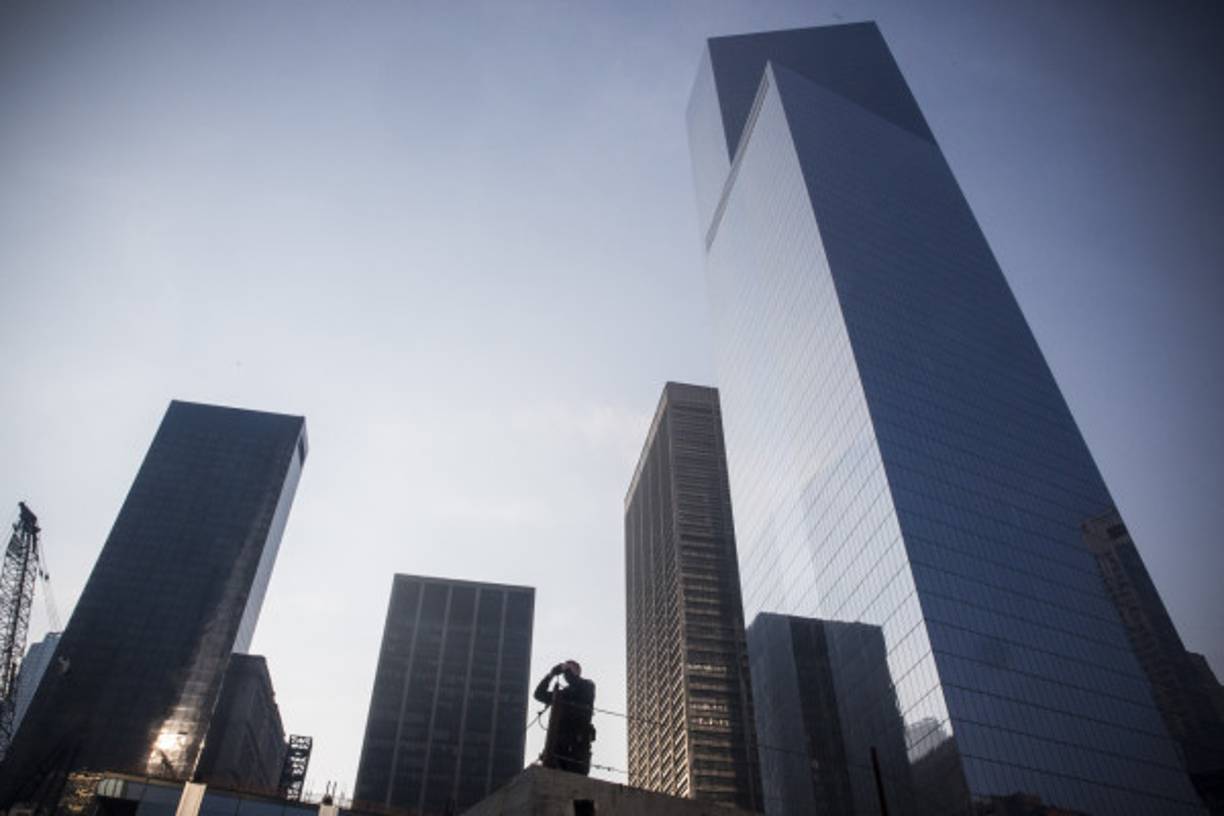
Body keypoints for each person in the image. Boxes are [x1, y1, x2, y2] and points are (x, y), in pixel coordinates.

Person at [533, 659, 596, 775]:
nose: (566, 674)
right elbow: (538, 694)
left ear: (577, 671)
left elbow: (576, 683)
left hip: (578, 743)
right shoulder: (562, 694)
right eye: (565, 672)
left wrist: (564, 669)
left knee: (576, 775)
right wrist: (551, 675)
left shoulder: (587, 686)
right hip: (559, 743)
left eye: (569, 669)